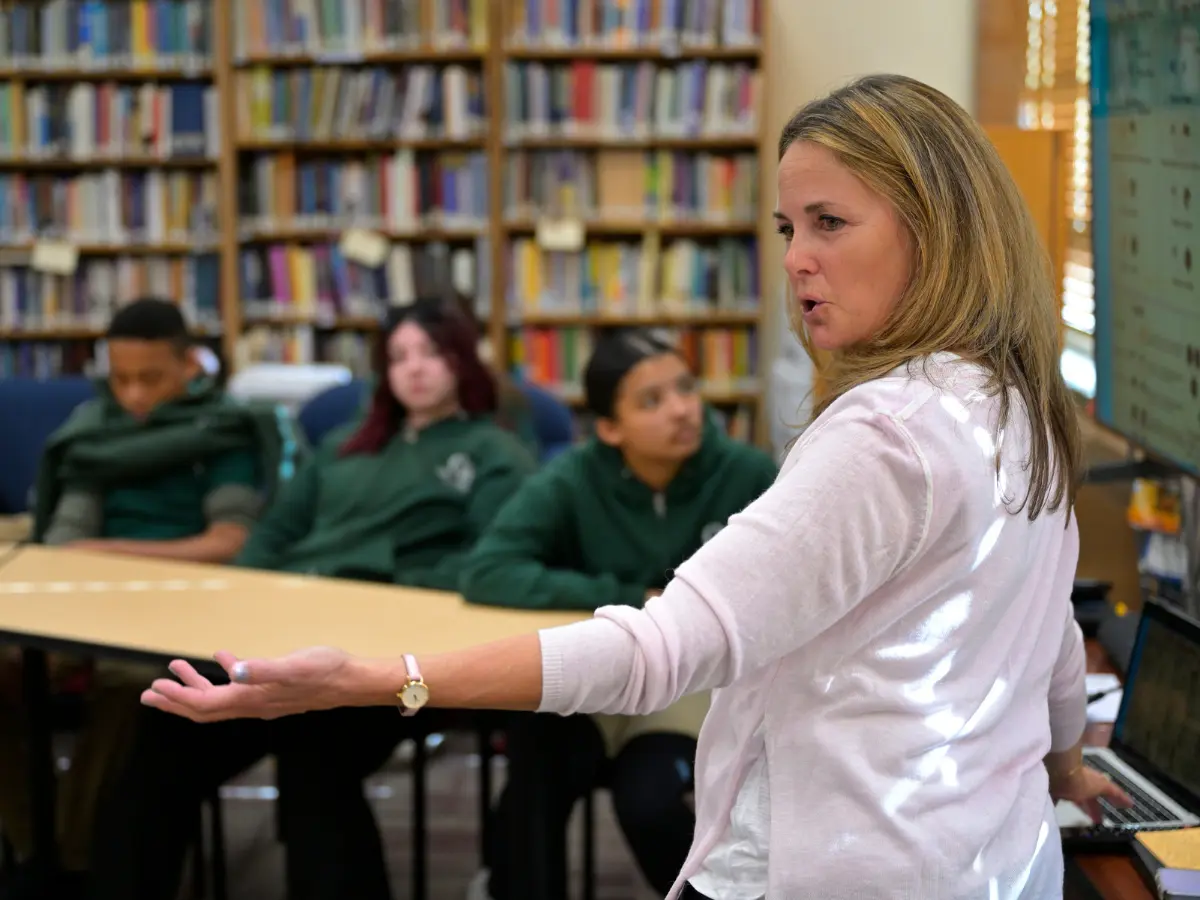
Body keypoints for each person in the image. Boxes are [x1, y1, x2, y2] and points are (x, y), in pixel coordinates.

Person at [140, 74, 1135, 900]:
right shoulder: (1018, 403)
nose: (797, 261)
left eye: (831, 222)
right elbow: (1044, 629)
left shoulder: (888, 434)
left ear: (941, 228)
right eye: (789, 226)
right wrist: (1061, 760)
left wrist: (377, 679)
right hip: (996, 867)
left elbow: (663, 650)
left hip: (839, 867)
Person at [87, 299, 536, 900]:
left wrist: (380, 584)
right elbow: (274, 533)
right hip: (286, 631)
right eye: (398, 356)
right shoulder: (347, 442)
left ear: (464, 360)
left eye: (432, 353)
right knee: (166, 724)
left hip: (384, 659)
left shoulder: (494, 451)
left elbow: (488, 562)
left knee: (313, 756)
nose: (415, 369)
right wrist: (251, 594)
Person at [460, 329, 777, 899]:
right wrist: (630, 594)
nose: (682, 410)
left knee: (651, 800)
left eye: (685, 387)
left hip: (691, 688)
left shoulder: (747, 474)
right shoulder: (574, 478)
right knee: (535, 775)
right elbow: (489, 569)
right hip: (600, 677)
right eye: (651, 401)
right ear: (609, 428)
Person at [0, 298, 296, 900]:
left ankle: (80, 862)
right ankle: (36, 845)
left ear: (190, 366)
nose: (133, 394)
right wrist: (80, 560)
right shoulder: (93, 431)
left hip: (183, 605)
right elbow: (66, 533)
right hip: (83, 598)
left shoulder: (222, 429)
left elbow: (228, 541)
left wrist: (103, 554)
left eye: (151, 378)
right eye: (121, 377)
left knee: (131, 689)